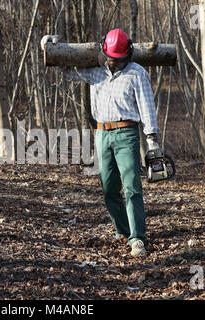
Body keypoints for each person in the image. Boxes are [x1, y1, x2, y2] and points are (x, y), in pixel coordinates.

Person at [41, 29, 161, 257]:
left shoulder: (137, 74)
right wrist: (51, 48)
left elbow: (147, 108)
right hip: (102, 134)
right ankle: (122, 231)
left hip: (127, 133)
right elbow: (66, 71)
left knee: (132, 187)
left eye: (117, 58)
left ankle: (137, 239)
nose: (112, 62)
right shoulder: (95, 71)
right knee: (108, 189)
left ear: (128, 54)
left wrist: (152, 139)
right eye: (110, 57)